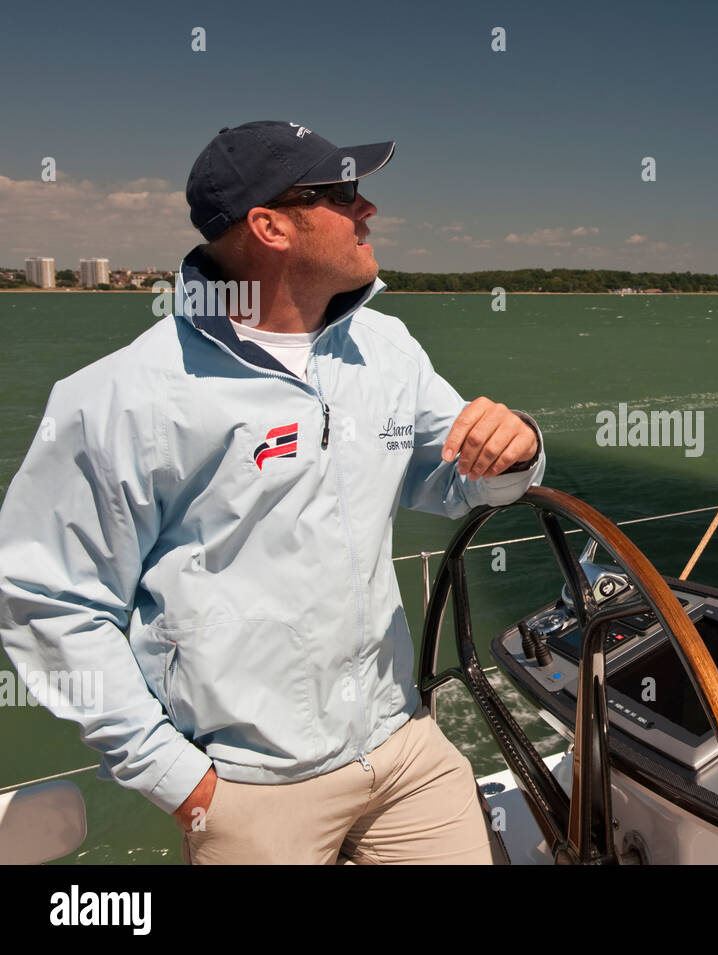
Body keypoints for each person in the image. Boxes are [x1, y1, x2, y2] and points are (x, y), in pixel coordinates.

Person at [0, 120, 545, 863]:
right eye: (343, 193)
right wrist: (182, 781)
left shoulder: (386, 349)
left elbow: (456, 478)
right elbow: (48, 599)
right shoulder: (122, 397)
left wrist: (516, 448)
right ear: (269, 225)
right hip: (249, 788)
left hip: (403, 748)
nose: (369, 210)